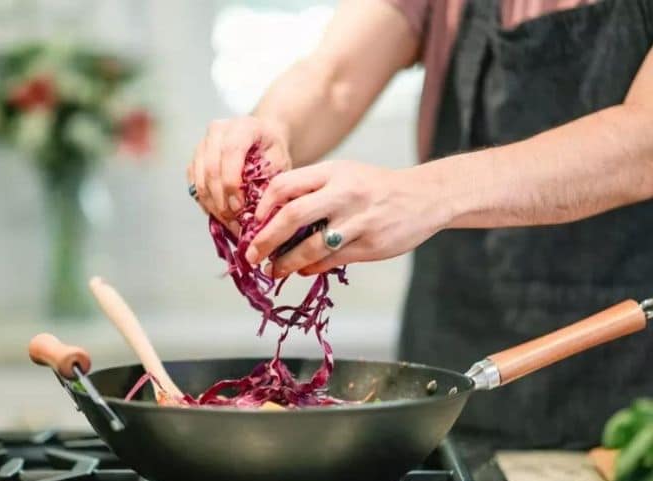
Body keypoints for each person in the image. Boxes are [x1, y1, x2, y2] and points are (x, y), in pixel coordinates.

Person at [186, 0, 653, 448]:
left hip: (621, 371)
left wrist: (426, 194)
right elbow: (332, 79)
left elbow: (642, 144)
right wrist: (270, 129)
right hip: (450, 344)